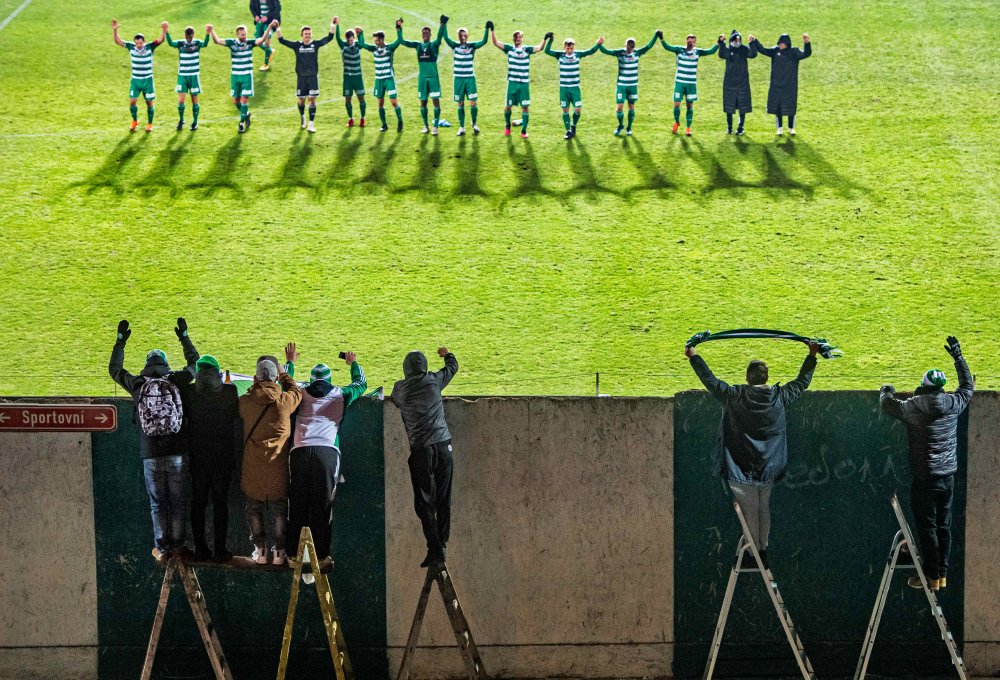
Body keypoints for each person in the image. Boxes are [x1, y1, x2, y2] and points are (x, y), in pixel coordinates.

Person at [685, 341, 819, 568]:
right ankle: (761, 550)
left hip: (739, 464)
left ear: (747, 377)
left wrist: (693, 355)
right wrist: (812, 355)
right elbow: (802, 383)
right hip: (769, 464)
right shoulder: (779, 396)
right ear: (766, 378)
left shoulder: (734, 395)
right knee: (762, 506)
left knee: (749, 509)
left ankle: (755, 554)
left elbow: (710, 380)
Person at [880, 336, 974, 591]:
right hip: (947, 476)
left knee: (927, 527)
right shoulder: (953, 404)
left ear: (923, 386)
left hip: (925, 478)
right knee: (944, 525)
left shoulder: (913, 406)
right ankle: (941, 575)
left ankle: (931, 576)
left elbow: (887, 404)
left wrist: (887, 388)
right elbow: (967, 387)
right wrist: (958, 357)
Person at [109, 318, 200, 562]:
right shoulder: (175, 380)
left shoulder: (138, 384)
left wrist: (120, 343)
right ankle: (179, 547)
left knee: (158, 504)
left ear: (147, 365)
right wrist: (184, 337)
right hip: (177, 451)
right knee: (178, 501)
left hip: (150, 453)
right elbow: (196, 364)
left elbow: (115, 370)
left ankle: (162, 548)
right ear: (165, 364)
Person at [287, 353, 367, 567]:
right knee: (322, 507)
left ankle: (293, 555)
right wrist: (353, 363)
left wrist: (291, 364)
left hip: (299, 451)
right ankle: (321, 556)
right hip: (327, 453)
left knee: (298, 505)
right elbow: (361, 383)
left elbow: (284, 383)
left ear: (312, 380)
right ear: (329, 380)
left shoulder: (300, 393)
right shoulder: (342, 393)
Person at [389, 347, 459, 568]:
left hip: (422, 451)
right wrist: (447, 354)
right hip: (444, 445)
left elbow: (395, 400)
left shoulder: (400, 389)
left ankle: (435, 548)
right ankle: (442, 545)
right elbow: (452, 367)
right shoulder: (434, 380)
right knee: (443, 498)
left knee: (424, 502)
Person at [238, 346, 302, 565]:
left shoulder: (245, 402)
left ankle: (260, 550)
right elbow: (295, 390)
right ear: (276, 378)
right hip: (277, 466)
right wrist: (285, 373)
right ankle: (280, 552)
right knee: (278, 510)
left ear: (255, 378)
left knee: (253, 508)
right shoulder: (284, 403)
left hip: (252, 467)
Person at [180, 355, 241, 562]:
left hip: (198, 458)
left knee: (198, 503)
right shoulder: (230, 391)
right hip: (222, 458)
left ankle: (200, 548)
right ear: (217, 371)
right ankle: (220, 549)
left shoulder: (189, 392)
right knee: (220, 504)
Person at [274, 18, 337, 133]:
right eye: (305, 34)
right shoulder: (297, 45)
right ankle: (303, 116)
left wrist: (333, 24)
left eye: (309, 33)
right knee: (302, 101)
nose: (307, 35)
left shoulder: (315, 44)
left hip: (313, 77)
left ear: (311, 34)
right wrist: (277, 27)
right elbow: (282, 41)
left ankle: (311, 124)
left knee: (312, 100)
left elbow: (329, 38)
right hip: (301, 78)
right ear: (302, 35)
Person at [749, 33, 811, 135]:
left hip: (790, 85)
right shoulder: (775, 51)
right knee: (778, 107)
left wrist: (807, 43)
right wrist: (754, 40)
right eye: (780, 43)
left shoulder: (794, 52)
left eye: (783, 43)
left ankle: (791, 127)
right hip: (777, 85)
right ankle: (780, 127)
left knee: (791, 107)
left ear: (787, 44)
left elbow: (806, 54)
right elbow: (763, 50)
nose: (781, 45)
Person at [492, 28, 549, 138]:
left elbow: (540, 48)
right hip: (512, 83)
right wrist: (493, 30)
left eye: (519, 37)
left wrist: (545, 38)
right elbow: (495, 42)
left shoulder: (527, 50)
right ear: (513, 39)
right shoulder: (509, 49)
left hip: (524, 84)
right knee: (508, 107)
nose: (518, 39)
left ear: (522, 39)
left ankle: (523, 131)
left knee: (525, 108)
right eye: (516, 37)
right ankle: (508, 126)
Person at [112, 19, 167, 132]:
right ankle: (135, 121)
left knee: (149, 103)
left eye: (140, 43)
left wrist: (164, 30)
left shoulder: (150, 47)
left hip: (147, 80)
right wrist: (115, 30)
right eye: (137, 43)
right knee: (132, 102)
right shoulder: (131, 47)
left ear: (144, 42)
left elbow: (161, 40)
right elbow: (118, 41)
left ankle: (150, 124)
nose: (138, 45)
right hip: (135, 80)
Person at [597, 33, 658, 136]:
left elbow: (648, 46)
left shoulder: (637, 53)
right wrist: (599, 44)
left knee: (631, 107)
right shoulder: (620, 53)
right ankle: (621, 125)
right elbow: (606, 51)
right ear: (625, 45)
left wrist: (656, 36)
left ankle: (629, 127)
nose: (630, 47)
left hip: (633, 86)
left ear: (634, 46)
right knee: (619, 107)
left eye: (632, 45)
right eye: (629, 45)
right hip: (622, 85)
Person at [543, 35, 603, 139]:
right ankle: (568, 131)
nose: (569, 50)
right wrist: (551, 40)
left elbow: (590, 51)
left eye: (571, 48)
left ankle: (573, 126)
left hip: (575, 88)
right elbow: (547, 51)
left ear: (573, 47)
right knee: (565, 110)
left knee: (578, 110)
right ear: (564, 47)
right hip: (564, 89)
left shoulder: (577, 55)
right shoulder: (560, 55)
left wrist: (598, 43)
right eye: (567, 48)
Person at [661, 33, 721, 136]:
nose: (691, 42)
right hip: (680, 83)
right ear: (686, 41)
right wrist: (661, 38)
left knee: (689, 106)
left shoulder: (697, 52)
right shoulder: (679, 50)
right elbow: (667, 47)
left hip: (691, 84)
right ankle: (676, 122)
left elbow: (711, 51)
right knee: (676, 104)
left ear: (695, 43)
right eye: (689, 40)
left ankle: (688, 128)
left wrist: (719, 42)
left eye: (693, 41)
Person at [397, 17, 447, 135]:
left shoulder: (434, 45)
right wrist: (399, 28)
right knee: (423, 102)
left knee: (436, 101)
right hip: (422, 79)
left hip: (433, 78)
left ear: (430, 34)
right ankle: (425, 126)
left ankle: (435, 127)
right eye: (423, 32)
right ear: (421, 35)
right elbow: (402, 41)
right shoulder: (417, 46)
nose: (425, 34)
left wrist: (442, 24)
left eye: (427, 32)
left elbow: (440, 37)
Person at [443, 21, 490, 136]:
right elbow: (445, 38)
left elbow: (484, 41)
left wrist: (486, 29)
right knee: (460, 103)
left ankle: (474, 124)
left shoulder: (472, 46)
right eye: (460, 35)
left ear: (467, 36)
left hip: (470, 79)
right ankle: (462, 127)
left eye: (464, 35)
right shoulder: (455, 45)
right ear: (458, 36)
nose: (462, 36)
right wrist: (443, 25)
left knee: (473, 103)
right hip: (458, 79)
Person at [165, 25, 211, 131]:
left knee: (194, 99)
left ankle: (195, 122)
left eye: (190, 35)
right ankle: (181, 120)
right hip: (182, 76)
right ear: (185, 35)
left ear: (193, 35)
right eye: (187, 35)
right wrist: (166, 32)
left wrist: (207, 34)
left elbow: (205, 44)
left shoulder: (197, 43)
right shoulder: (181, 44)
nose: (189, 37)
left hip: (194, 76)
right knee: (181, 101)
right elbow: (171, 43)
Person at [360, 26, 404, 132]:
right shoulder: (374, 49)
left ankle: (400, 121)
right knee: (380, 103)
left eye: (377, 40)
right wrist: (360, 34)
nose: (376, 42)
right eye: (374, 40)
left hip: (389, 78)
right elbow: (362, 45)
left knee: (393, 102)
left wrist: (399, 29)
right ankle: (384, 125)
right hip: (378, 80)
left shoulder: (389, 48)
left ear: (382, 39)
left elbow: (399, 41)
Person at [717, 30, 756, 135]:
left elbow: (753, 54)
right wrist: (721, 43)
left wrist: (752, 43)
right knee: (729, 106)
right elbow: (721, 54)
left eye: (739, 39)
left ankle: (740, 126)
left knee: (742, 106)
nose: (738, 41)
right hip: (730, 83)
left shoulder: (744, 49)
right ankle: (729, 127)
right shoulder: (728, 49)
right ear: (732, 40)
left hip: (742, 83)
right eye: (736, 39)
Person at [333, 18, 366, 127]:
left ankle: (362, 118)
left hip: (358, 77)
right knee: (348, 100)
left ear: (354, 38)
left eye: (352, 39)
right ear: (346, 39)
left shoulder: (358, 45)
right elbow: (337, 38)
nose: (350, 41)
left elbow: (362, 43)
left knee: (361, 98)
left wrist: (361, 33)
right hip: (347, 78)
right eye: (349, 40)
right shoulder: (343, 45)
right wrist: (337, 25)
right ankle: (351, 119)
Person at [249, 0, 281, 71]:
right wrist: (255, 15)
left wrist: (267, 17)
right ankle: (269, 51)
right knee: (257, 40)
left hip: (271, 21)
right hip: (260, 21)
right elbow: (252, 6)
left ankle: (266, 64)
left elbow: (278, 8)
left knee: (267, 40)